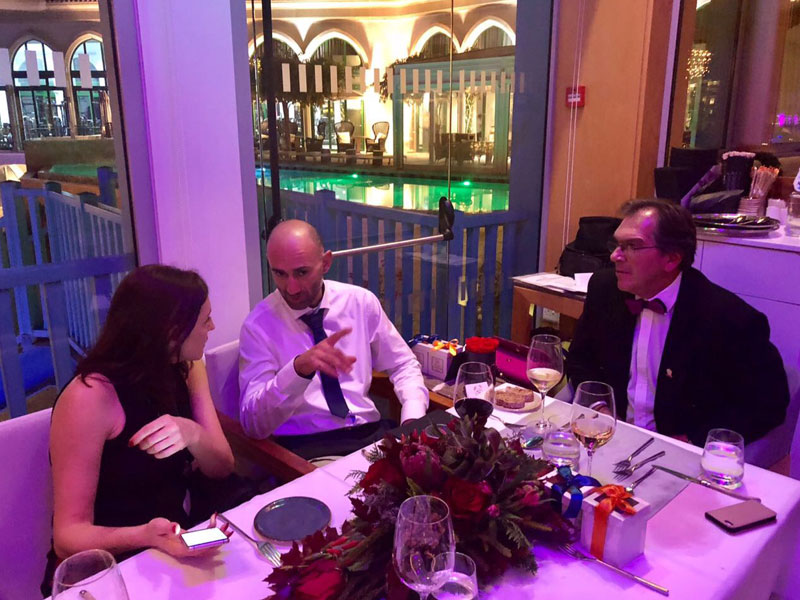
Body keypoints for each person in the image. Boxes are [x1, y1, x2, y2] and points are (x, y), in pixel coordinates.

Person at [44, 266, 236, 594]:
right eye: (205, 320)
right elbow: (67, 537)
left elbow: (222, 466)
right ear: (171, 331)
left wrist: (192, 433)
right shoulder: (90, 397)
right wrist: (145, 535)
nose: (212, 328)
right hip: (109, 563)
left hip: (173, 541)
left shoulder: (189, 367)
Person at [566, 198, 788, 446]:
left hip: (681, 451)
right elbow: (580, 359)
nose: (615, 256)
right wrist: (600, 408)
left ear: (671, 259)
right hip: (612, 437)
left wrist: (692, 440)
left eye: (632, 246)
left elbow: (769, 403)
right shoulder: (604, 289)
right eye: (617, 244)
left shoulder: (730, 319)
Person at [239, 220, 429, 458]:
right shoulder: (258, 326)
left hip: (370, 434)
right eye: (280, 274)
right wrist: (298, 370)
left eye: (301, 272)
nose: (292, 288)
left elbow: (403, 364)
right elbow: (253, 424)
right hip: (307, 447)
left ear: (326, 263)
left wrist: (412, 420)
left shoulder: (359, 302)